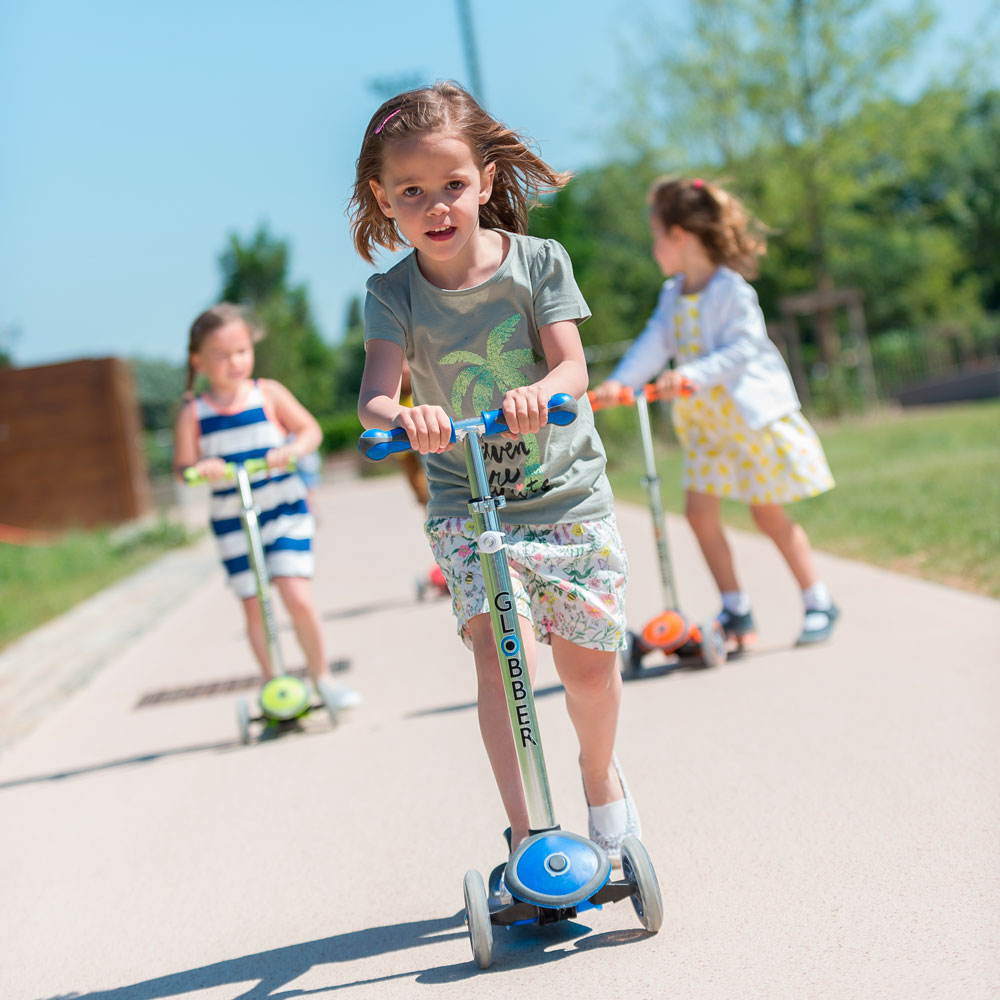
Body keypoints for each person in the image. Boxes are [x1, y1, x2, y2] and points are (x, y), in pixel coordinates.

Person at [349, 81, 638, 864]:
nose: (436, 207)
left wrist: (542, 394)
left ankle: (599, 777)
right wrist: (403, 415)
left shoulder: (539, 263)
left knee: (588, 671)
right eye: (412, 193)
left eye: (452, 186)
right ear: (384, 198)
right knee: (500, 655)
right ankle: (526, 831)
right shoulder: (392, 295)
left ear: (482, 179)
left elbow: (571, 368)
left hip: (564, 496)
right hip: (470, 508)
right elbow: (374, 396)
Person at [592, 176, 839, 647]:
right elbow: (654, 342)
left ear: (680, 236)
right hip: (706, 427)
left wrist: (691, 376)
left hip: (744, 419)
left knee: (768, 515)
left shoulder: (731, 290)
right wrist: (620, 384)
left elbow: (743, 349)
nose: (654, 247)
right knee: (700, 514)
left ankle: (818, 599)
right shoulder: (672, 293)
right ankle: (736, 609)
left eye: (656, 236)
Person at [174, 303, 360, 705]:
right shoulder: (195, 413)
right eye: (222, 355)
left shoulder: (267, 393)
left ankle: (322, 677)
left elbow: (310, 430)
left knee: (296, 595)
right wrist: (200, 468)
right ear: (199, 361)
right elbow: (183, 466)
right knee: (255, 605)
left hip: (283, 510)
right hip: (233, 520)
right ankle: (276, 683)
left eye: (241, 350)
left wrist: (290, 449)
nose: (234, 362)